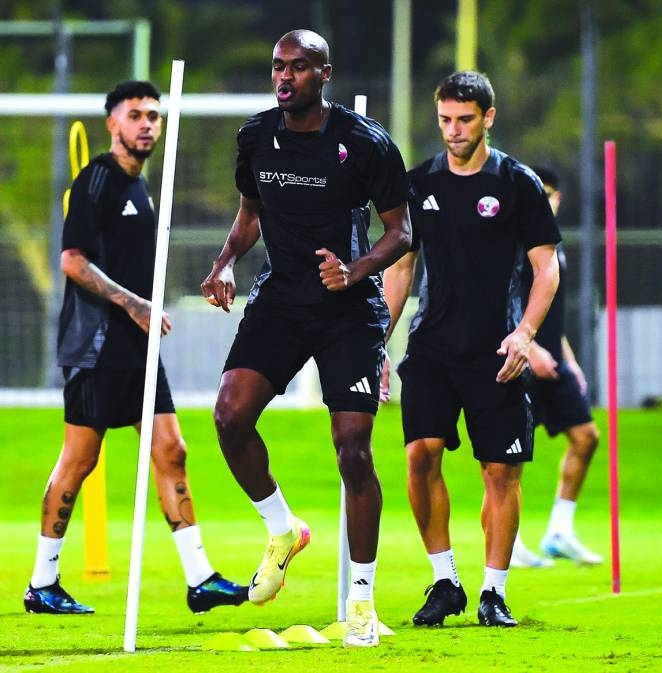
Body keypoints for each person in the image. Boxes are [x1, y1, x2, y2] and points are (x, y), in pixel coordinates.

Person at [199, 30, 411, 647]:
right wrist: (225, 263)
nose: (284, 77)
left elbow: (402, 232)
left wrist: (355, 271)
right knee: (230, 416)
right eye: (277, 67)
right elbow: (250, 213)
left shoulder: (364, 143)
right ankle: (282, 528)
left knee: (353, 448)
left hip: (349, 308)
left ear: (324, 74)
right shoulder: (254, 137)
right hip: (282, 299)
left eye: (297, 67)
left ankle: (363, 600)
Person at [24, 81, 247, 616]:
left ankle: (200, 579)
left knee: (172, 450)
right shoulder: (96, 180)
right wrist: (135, 305)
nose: (146, 123)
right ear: (112, 123)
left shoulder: (144, 187)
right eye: (135, 115)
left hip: (137, 343)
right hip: (97, 341)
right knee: (79, 460)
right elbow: (72, 261)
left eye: (153, 115)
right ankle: (42, 582)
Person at [382, 71, 560, 627]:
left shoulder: (518, 183)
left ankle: (494, 592)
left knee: (499, 472)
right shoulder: (417, 185)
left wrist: (525, 333)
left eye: (464, 120)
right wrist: (377, 342)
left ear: (488, 117)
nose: (453, 131)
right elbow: (401, 269)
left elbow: (545, 266)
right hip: (432, 349)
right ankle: (445, 580)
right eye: (444, 120)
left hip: (497, 353)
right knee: (419, 455)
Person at [509, 166, 602, 569]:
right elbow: (506, 303)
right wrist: (530, 350)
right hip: (519, 359)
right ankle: (508, 544)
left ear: (557, 198)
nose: (539, 201)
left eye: (545, 193)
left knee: (586, 437)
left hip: (554, 360)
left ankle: (559, 531)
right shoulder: (515, 243)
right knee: (507, 457)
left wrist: (568, 359)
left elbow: (553, 308)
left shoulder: (552, 246)